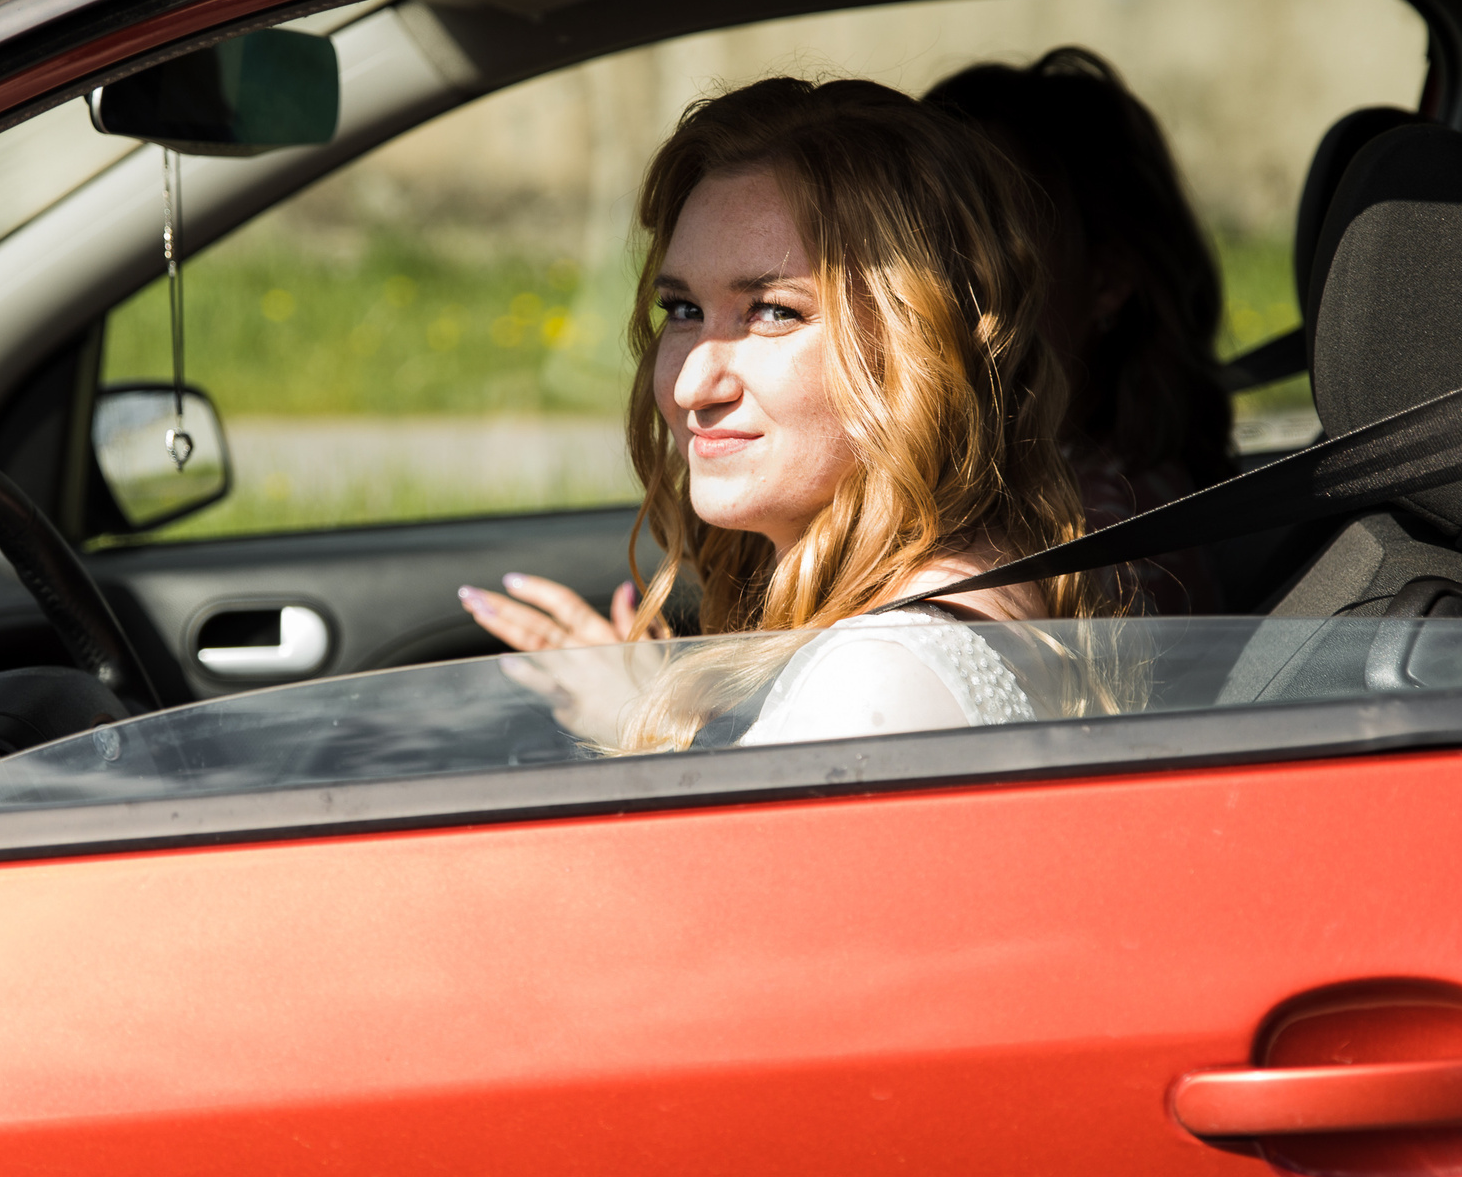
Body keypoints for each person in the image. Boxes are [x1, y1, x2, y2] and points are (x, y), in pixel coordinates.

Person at [457, 76, 1120, 752]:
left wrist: (641, 734)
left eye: (772, 312)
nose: (690, 385)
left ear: (921, 346)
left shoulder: (879, 680)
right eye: (683, 310)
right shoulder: (943, 609)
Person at [924, 49, 1233, 613]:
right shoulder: (1049, 489)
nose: (936, 287)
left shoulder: (1098, 534)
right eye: (919, 242)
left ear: (1107, 280)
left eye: (989, 251)